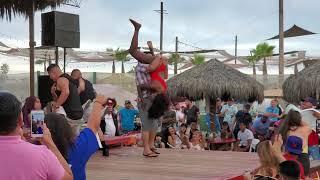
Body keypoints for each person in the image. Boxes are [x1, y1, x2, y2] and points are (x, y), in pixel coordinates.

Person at [0, 92, 73, 180]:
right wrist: (50, 144)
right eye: (37, 101)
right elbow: (69, 177)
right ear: (20, 119)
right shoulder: (43, 155)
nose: (39, 103)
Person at [45, 95, 107, 180]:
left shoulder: (35, 154)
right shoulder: (77, 147)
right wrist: (98, 103)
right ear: (66, 129)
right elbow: (93, 126)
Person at [130, 19, 168, 157]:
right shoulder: (147, 66)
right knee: (149, 125)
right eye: (146, 55)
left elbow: (152, 64)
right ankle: (147, 148)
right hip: (150, 98)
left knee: (150, 125)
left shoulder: (145, 66)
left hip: (149, 98)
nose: (147, 56)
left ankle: (149, 147)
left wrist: (141, 96)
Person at [279, 110, 311, 176]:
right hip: (303, 156)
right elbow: (306, 124)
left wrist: (289, 119)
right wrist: (297, 120)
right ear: (299, 119)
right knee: (302, 176)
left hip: (288, 156)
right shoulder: (306, 128)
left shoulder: (285, 131)